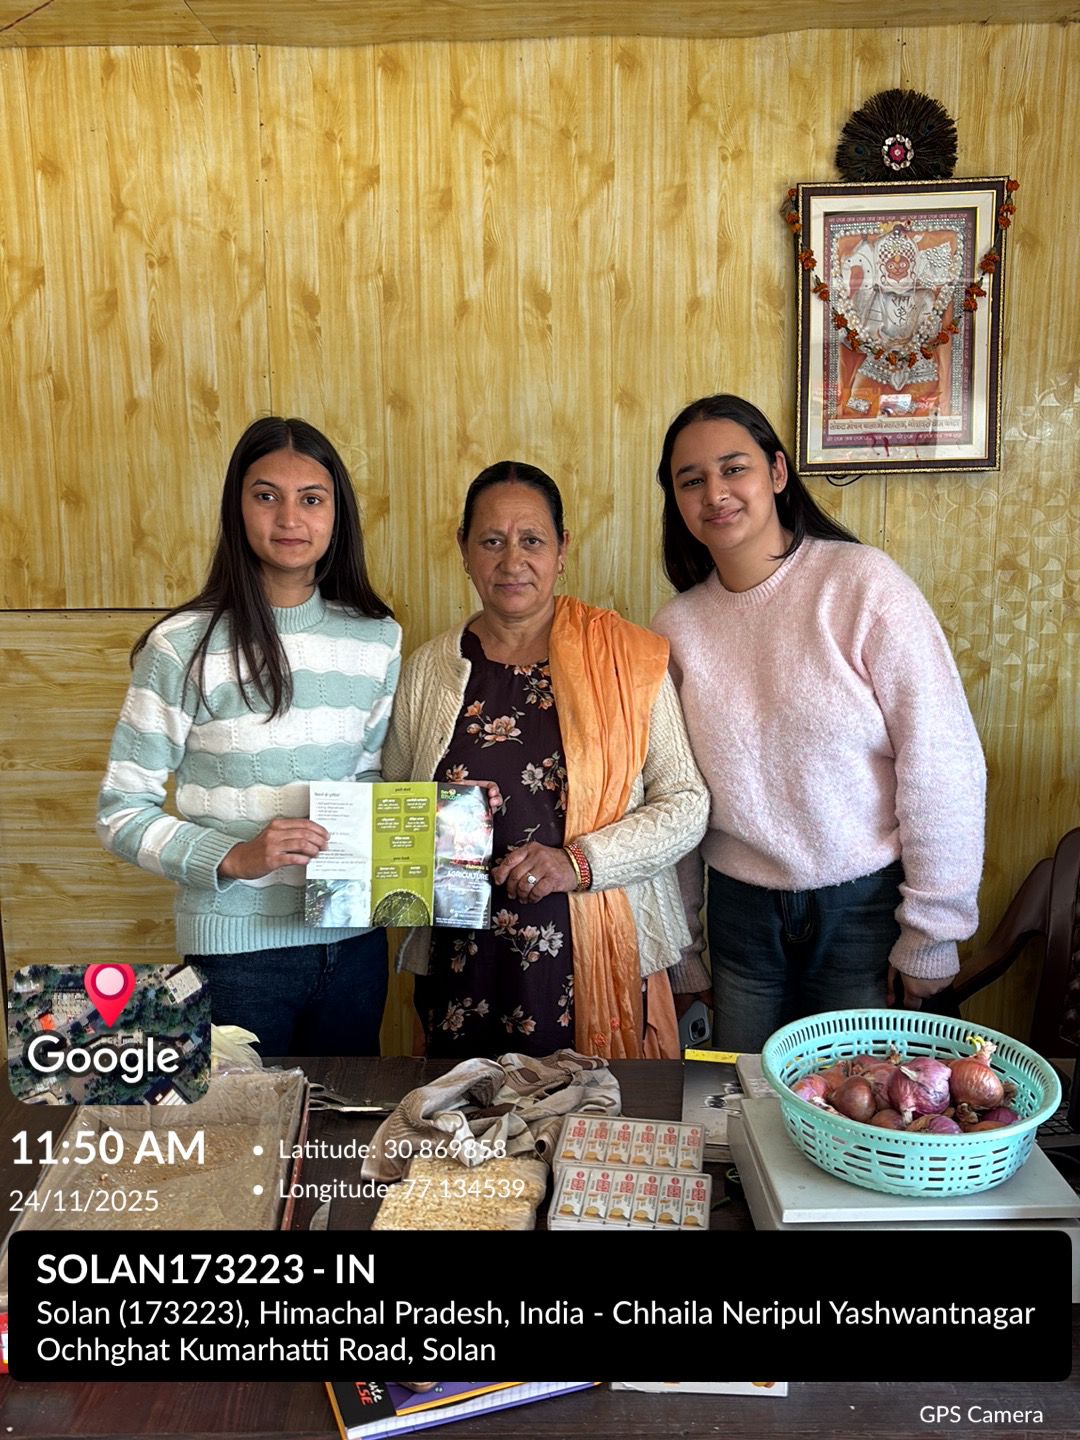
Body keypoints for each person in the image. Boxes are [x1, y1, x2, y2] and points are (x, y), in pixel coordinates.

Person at [651, 394, 986, 1053]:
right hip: (740, 914)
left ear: (777, 472)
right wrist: (681, 947)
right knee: (744, 1095)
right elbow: (676, 798)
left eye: (734, 468)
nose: (715, 493)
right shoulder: (675, 628)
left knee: (860, 1097)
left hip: (865, 910)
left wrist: (932, 932)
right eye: (691, 481)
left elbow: (940, 758)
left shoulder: (862, 584)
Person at [382, 460, 709, 1060]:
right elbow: (393, 803)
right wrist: (433, 827)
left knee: (591, 1111)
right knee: (465, 1113)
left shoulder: (624, 660)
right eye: (492, 541)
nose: (512, 561)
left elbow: (686, 804)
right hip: (463, 964)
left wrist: (575, 863)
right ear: (463, 550)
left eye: (531, 540)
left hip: (597, 951)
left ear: (562, 550)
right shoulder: (429, 669)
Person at [97, 417, 401, 1056]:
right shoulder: (182, 645)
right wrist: (234, 857)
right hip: (235, 959)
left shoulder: (377, 638)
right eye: (267, 496)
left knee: (345, 1118)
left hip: (354, 949)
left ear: (337, 516)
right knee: (238, 1122)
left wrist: (445, 821)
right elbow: (121, 812)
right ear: (237, 508)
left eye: (311, 499)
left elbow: (367, 780)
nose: (290, 517)